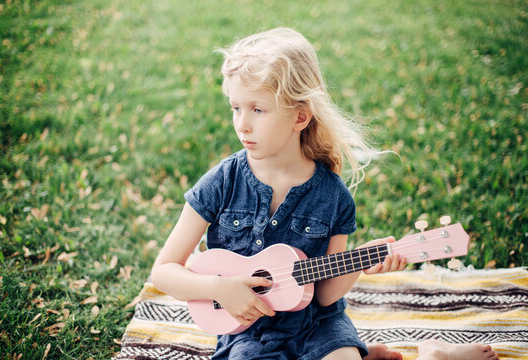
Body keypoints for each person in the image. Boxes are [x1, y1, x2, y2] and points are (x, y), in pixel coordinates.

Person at [151, 28, 498, 360]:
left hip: (317, 327)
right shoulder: (222, 181)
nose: (242, 123)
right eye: (235, 107)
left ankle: (430, 353)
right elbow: (164, 270)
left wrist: (364, 262)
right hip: (249, 332)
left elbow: (326, 293)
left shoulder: (333, 196)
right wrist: (218, 289)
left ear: (300, 116)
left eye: (258, 109)